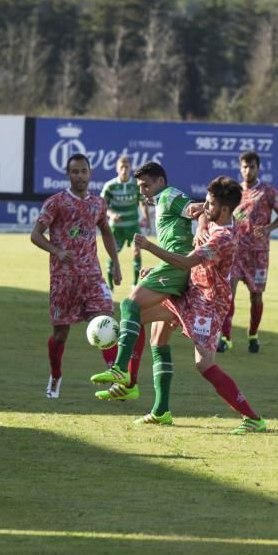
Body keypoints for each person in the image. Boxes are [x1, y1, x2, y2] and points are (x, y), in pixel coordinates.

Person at [127, 176, 268, 433]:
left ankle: (253, 419)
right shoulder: (217, 218)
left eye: (211, 203)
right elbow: (201, 215)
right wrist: (201, 225)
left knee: (204, 365)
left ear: (224, 209)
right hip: (190, 292)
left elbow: (186, 262)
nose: (206, 205)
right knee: (144, 322)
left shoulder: (224, 238)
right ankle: (153, 404)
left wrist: (149, 247)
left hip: (208, 303)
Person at [90, 161, 203, 397]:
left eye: (146, 185)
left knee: (130, 304)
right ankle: (148, 401)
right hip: (173, 265)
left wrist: (207, 218)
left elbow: (198, 209)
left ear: (160, 182)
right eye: (139, 186)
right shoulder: (162, 200)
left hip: (178, 266)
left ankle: (120, 369)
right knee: (154, 336)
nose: (142, 191)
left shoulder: (169, 195)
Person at [31, 153, 123, 399]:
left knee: (106, 321)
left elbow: (106, 232)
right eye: (75, 172)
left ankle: (114, 377)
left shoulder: (98, 203)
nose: (80, 176)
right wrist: (57, 251)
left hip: (92, 277)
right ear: (68, 175)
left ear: (89, 173)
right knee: (60, 335)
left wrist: (115, 263)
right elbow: (36, 235)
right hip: (64, 280)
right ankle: (56, 375)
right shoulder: (56, 202)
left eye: (83, 171)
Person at [216, 150, 278, 353]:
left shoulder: (268, 192)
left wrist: (268, 229)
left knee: (256, 296)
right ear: (240, 168)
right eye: (244, 167)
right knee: (228, 293)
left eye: (252, 167)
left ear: (258, 168)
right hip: (235, 252)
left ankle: (253, 335)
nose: (248, 170)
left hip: (258, 253)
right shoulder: (233, 192)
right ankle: (226, 337)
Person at [100, 155, 150, 290]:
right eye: (121, 167)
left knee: (137, 251)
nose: (124, 170)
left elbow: (143, 202)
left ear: (130, 168)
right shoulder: (110, 186)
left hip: (133, 226)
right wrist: (111, 214)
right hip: (116, 228)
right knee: (113, 254)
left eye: (126, 167)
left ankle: (135, 284)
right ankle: (110, 287)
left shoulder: (136, 184)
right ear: (117, 169)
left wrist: (146, 218)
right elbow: (102, 206)